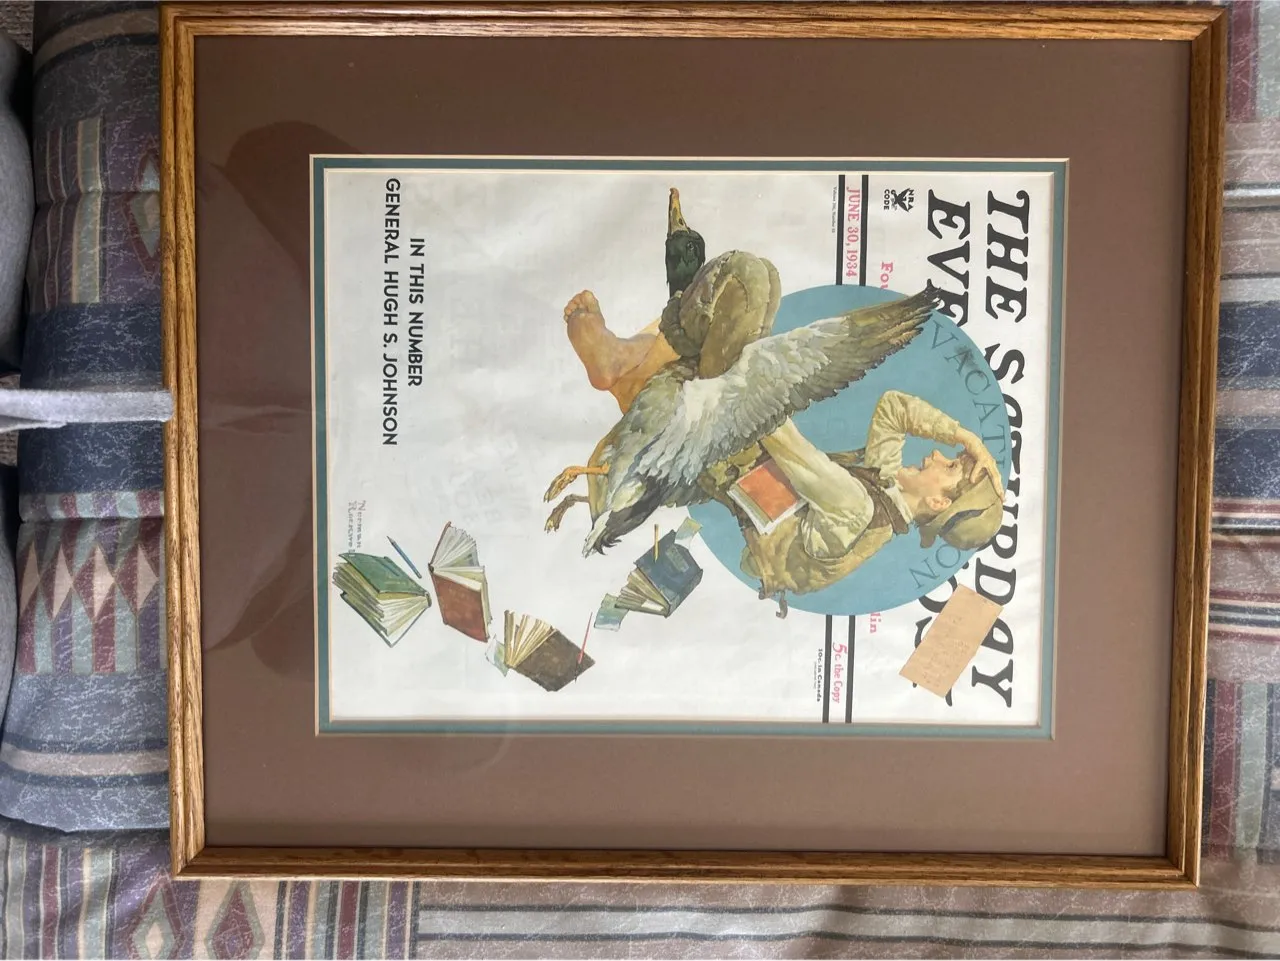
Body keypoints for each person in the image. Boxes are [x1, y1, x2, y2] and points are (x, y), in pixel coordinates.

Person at [563, 247, 1005, 614]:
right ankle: (635, 363)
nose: (936, 456)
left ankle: (623, 364)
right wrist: (965, 437)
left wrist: (765, 369)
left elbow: (776, 430)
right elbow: (894, 409)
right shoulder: (882, 498)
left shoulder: (855, 509)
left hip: (704, 451)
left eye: (950, 467)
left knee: (749, 279)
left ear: (937, 501)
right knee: (762, 296)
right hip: (719, 450)